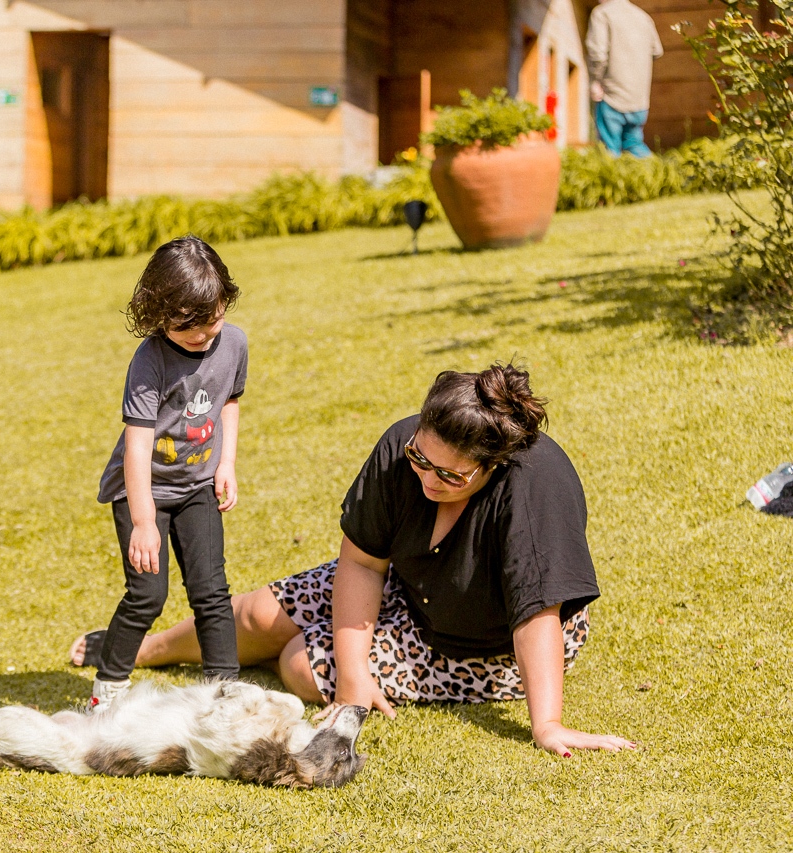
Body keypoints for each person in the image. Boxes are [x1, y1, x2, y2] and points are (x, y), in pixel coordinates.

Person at [72, 364, 636, 756]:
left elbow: (537, 615)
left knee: (299, 663)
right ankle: (146, 648)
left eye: (449, 475)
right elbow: (364, 563)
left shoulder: (535, 491)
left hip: (488, 639)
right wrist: (354, 673)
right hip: (408, 582)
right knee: (256, 619)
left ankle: (276, 658)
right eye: (421, 458)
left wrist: (549, 725)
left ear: (492, 467)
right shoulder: (404, 448)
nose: (425, 478)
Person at [81, 236, 248, 713]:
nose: (202, 335)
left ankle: (225, 698)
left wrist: (227, 464)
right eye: (187, 326)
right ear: (157, 313)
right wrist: (144, 522)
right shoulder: (149, 361)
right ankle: (107, 692)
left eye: (212, 319)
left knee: (211, 591)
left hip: (197, 486)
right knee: (147, 596)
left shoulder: (233, 342)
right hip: (143, 491)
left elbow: (230, 402)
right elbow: (136, 448)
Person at [586, 0, 663, 158]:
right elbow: (657, 50)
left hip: (611, 95)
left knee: (609, 149)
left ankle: (611, 182)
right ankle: (659, 177)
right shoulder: (644, 18)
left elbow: (598, 55)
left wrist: (595, 81)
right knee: (634, 143)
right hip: (639, 99)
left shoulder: (602, 13)